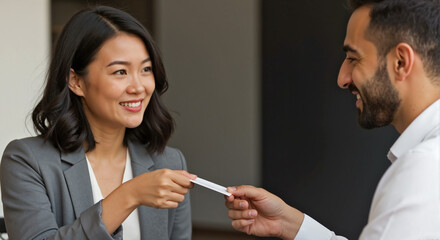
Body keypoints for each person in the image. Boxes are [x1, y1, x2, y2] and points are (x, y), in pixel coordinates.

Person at [225, 0, 440, 239]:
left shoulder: (423, 171)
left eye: (353, 58)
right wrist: (290, 225)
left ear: (400, 62)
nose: (342, 78)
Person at [0, 6, 196, 240]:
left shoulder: (169, 161)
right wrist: (129, 194)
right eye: (120, 72)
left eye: (146, 69)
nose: (138, 87)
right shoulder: (27, 160)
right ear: (76, 81)